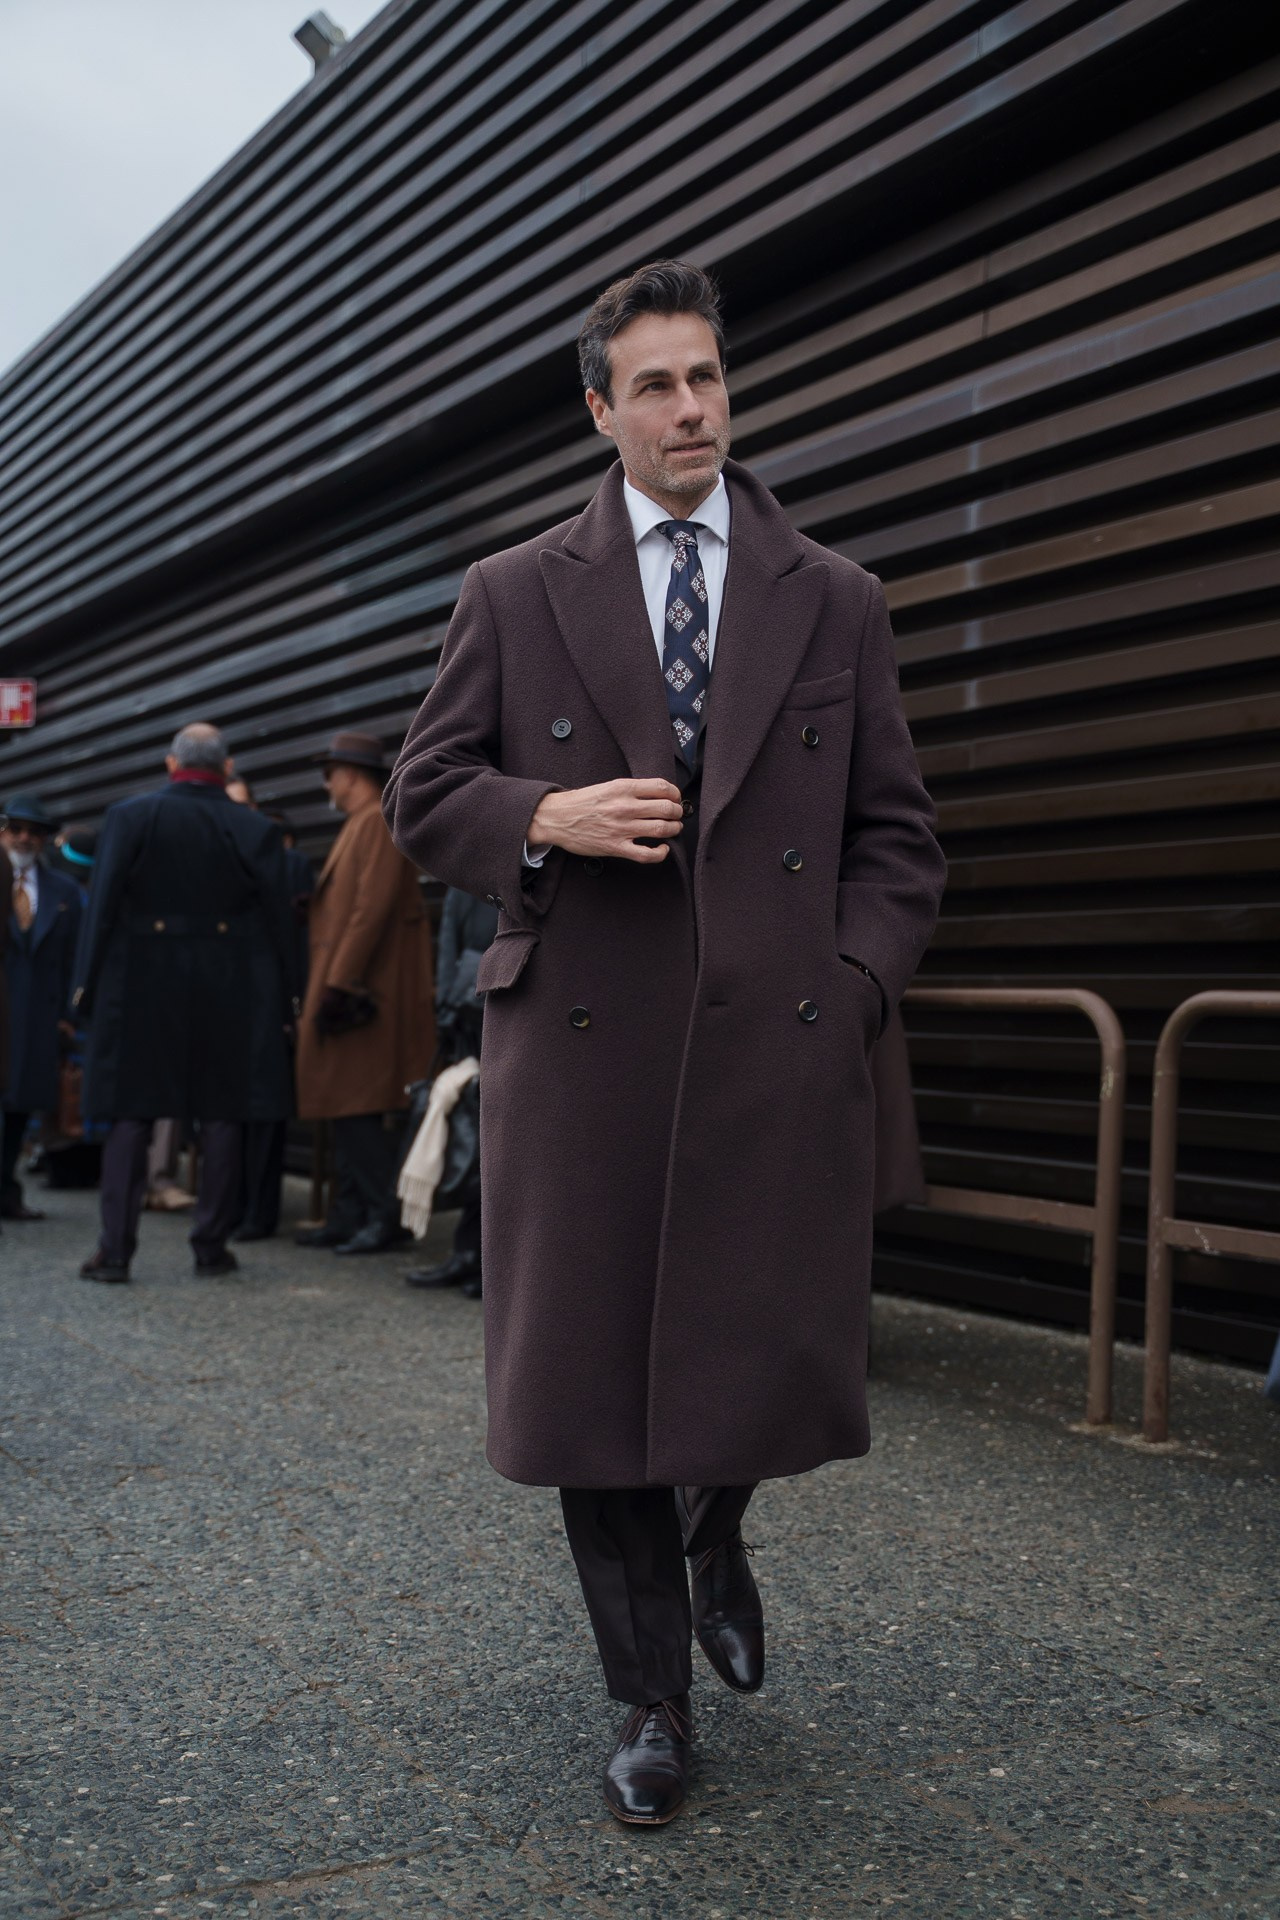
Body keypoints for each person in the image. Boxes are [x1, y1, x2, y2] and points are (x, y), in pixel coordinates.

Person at [383, 260, 946, 1825]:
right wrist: (542, 815)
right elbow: (427, 792)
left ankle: (717, 1533)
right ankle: (646, 1699)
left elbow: (899, 841)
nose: (690, 409)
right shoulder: (514, 587)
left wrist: (854, 985)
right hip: (587, 1050)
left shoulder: (833, 593)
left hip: (777, 1042)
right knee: (591, 1381)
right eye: (654, 385)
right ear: (600, 408)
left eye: (706, 377)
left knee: (757, 1345)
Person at [72, 724, 296, 1283]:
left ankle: (116, 1252)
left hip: (140, 987)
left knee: (131, 1115)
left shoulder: (129, 817)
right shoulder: (253, 827)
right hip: (229, 988)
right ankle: (210, 1247)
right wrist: (289, 994)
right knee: (223, 1115)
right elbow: (280, 926)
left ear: (172, 764)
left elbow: (100, 908)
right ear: (227, 768)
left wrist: (85, 985)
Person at [294, 732, 435, 1255]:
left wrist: (337, 982)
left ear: (349, 774)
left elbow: (369, 910)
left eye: (329, 774)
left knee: (357, 1108)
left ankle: (383, 1216)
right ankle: (350, 1213)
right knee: (345, 1105)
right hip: (357, 995)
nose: (327, 785)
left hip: (363, 998)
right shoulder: (362, 823)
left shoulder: (374, 821)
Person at [404, 886, 498, 1298]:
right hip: (467, 1009)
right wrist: (444, 1006)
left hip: (516, 1001)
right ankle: (469, 1253)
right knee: (476, 1133)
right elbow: (450, 942)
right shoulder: (470, 863)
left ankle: (486, 1261)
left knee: (502, 1139)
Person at [1, 793, 82, 1221]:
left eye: (34, 831)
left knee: (19, 1107)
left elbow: (74, 959)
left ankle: (6, 1190)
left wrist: (69, 1015)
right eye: (15, 829)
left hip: (36, 1016)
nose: (24, 838)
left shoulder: (63, 891)